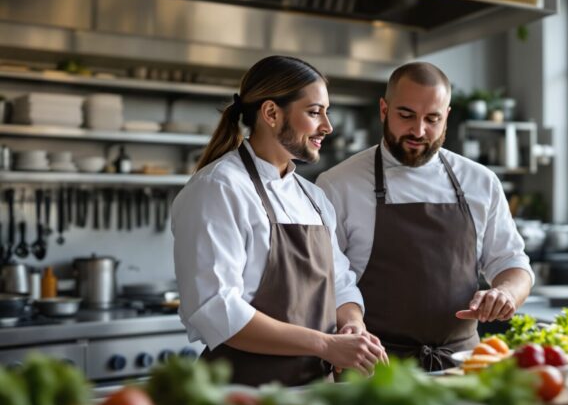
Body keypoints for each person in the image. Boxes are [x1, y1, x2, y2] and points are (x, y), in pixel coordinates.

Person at [171, 55, 387, 387]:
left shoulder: (312, 197)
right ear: (271, 113)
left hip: (314, 392)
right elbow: (218, 309)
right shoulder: (218, 189)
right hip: (244, 393)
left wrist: (352, 325)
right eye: (315, 112)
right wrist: (326, 345)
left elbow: (340, 284)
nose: (327, 126)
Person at [315, 62, 534, 371]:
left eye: (432, 119)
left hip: (462, 365)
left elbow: (513, 263)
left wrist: (505, 292)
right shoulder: (338, 184)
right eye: (406, 115)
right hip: (375, 368)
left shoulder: (480, 181)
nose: (418, 131)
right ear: (384, 109)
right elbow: (327, 281)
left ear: (447, 117)